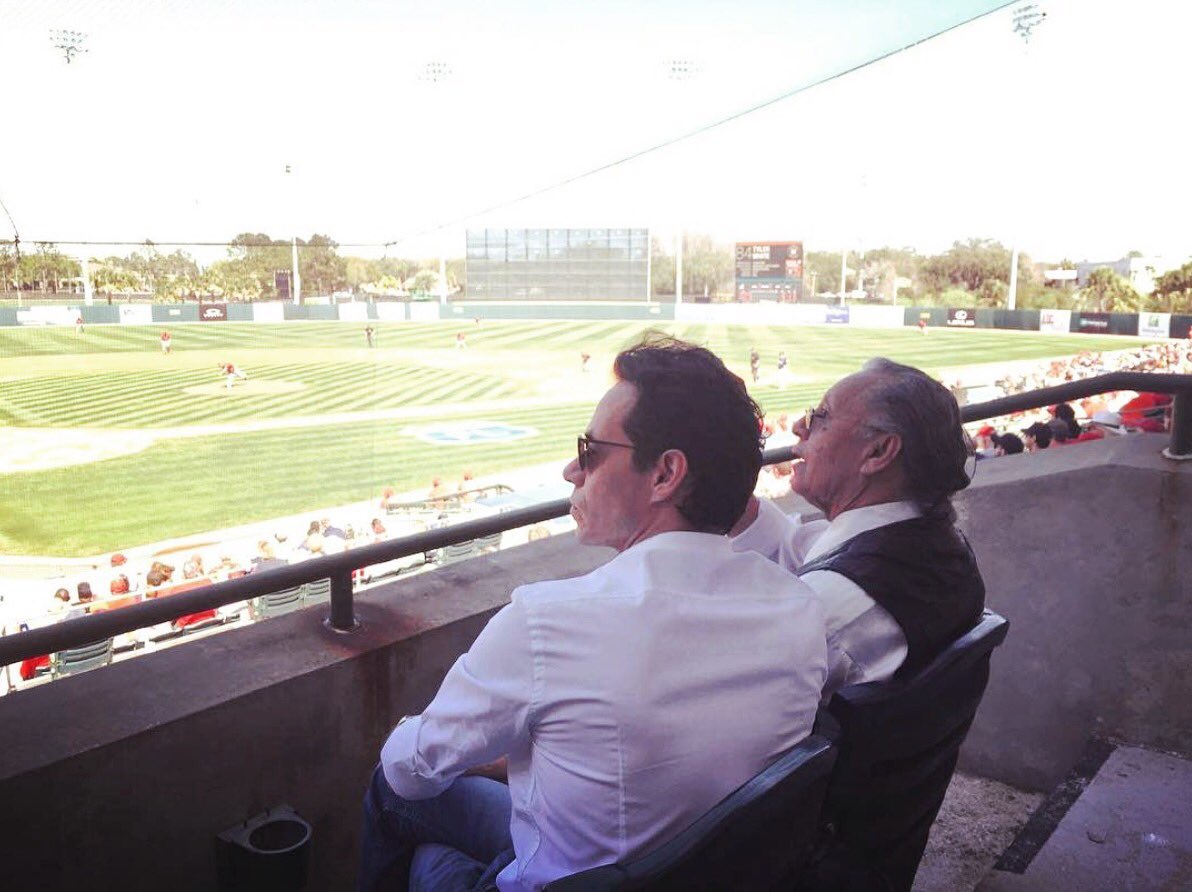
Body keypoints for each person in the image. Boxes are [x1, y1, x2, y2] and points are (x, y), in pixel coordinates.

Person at [359, 337, 828, 892]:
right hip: (696, 868)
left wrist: (419, 736)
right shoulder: (800, 609)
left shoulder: (545, 626)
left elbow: (409, 770)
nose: (569, 471)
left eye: (590, 451)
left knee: (396, 804)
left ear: (665, 475)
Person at [732, 357, 985, 694]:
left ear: (878, 452)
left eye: (819, 417)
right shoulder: (922, 538)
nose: (799, 426)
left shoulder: (832, 605)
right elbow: (797, 547)